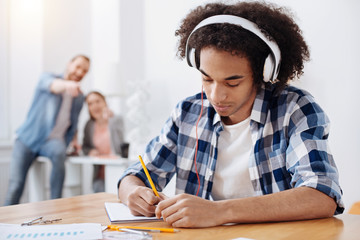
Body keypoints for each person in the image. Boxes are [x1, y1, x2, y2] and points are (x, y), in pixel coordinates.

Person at [118, 1, 344, 228]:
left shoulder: (295, 109)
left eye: (232, 82)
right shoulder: (187, 113)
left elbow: (321, 196)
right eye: (207, 79)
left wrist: (219, 211)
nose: (216, 95)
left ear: (263, 73)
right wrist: (133, 192)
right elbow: (136, 174)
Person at [4, 55, 90, 205]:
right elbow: (53, 85)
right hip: (27, 139)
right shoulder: (48, 78)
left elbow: (74, 122)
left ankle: (55, 205)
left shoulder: (78, 97)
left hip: (52, 141)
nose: (80, 72)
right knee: (16, 185)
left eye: (85, 71)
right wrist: (66, 85)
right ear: (69, 64)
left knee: (59, 153)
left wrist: (75, 140)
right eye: (78, 66)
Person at [82, 91, 125, 193]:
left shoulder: (116, 119)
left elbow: (120, 145)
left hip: (118, 172)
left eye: (98, 101)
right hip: (100, 175)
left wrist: (111, 120)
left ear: (105, 103)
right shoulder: (89, 125)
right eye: (90, 104)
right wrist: (90, 151)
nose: (95, 106)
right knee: (98, 191)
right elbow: (85, 147)